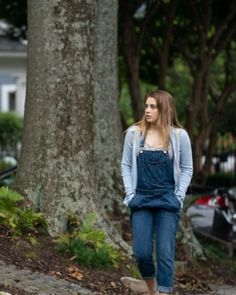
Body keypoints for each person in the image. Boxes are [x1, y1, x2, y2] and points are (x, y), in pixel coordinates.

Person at [121, 90, 193, 295]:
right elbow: (125, 165)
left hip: (167, 199)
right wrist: (130, 193)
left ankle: (163, 293)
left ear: (164, 109)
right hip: (141, 198)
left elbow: (187, 168)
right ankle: (151, 288)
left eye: (153, 106)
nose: (147, 110)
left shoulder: (179, 136)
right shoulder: (134, 134)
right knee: (141, 252)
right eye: (146, 106)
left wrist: (178, 196)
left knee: (164, 253)